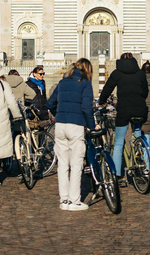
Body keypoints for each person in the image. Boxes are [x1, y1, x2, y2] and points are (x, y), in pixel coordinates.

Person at [46, 58, 95, 211]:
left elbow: (50, 103)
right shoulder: (85, 82)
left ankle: (64, 200)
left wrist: (59, 114)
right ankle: (75, 201)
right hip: (76, 125)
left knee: (62, 165)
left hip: (60, 125)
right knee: (76, 164)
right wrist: (91, 126)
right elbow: (87, 108)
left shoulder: (62, 82)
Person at [98, 52, 149, 179]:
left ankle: (117, 174)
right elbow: (145, 91)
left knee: (119, 142)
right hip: (139, 109)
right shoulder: (140, 73)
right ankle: (145, 166)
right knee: (138, 134)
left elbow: (107, 88)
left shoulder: (117, 73)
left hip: (124, 110)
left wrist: (101, 101)